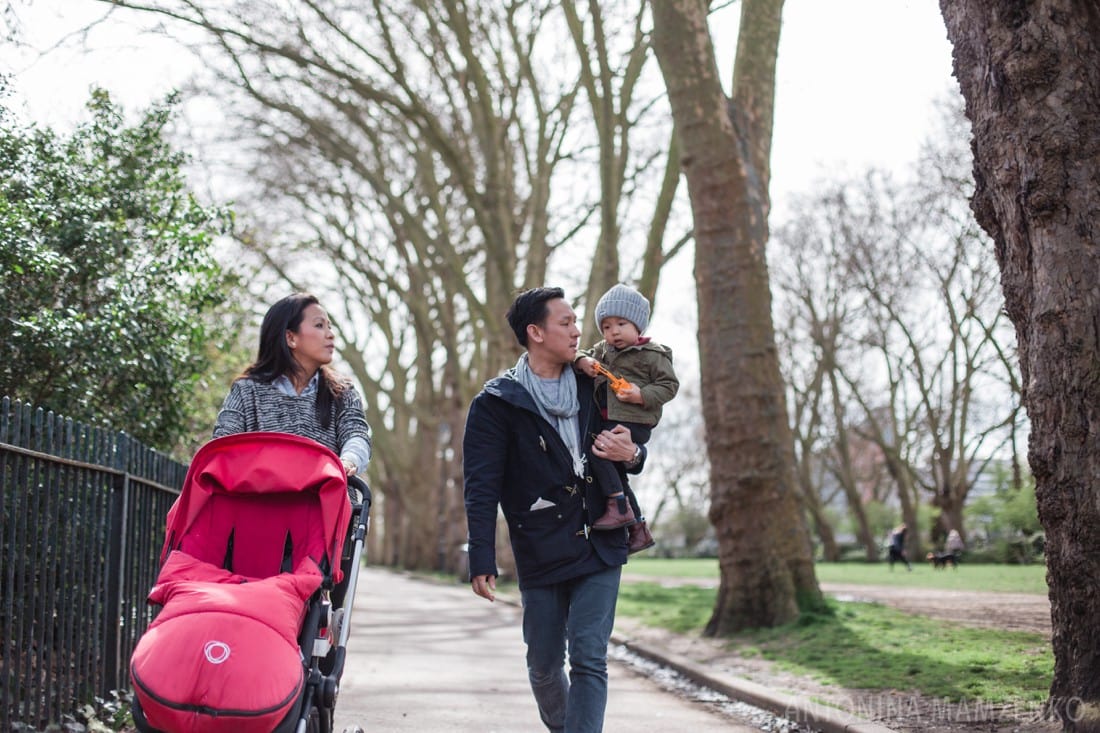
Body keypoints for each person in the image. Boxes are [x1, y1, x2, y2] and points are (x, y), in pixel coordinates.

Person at [463, 286, 646, 733]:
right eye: (565, 323)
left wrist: (633, 455)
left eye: (575, 321)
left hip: (603, 534)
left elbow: (635, 445)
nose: (577, 330)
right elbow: (481, 487)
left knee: (589, 656)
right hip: (540, 544)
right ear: (535, 332)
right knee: (544, 664)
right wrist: (481, 556)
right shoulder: (495, 403)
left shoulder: (596, 382)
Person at [213, 292, 372, 484]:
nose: (331, 334)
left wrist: (348, 461)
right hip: (260, 504)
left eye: (329, 326)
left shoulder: (342, 392)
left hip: (326, 505)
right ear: (290, 338)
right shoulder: (246, 391)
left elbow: (356, 434)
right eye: (319, 325)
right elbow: (223, 446)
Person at [574, 284, 678, 552]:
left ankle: (619, 507)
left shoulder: (653, 355)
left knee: (599, 453)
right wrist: (581, 362)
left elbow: (669, 386)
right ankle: (637, 527)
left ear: (638, 326)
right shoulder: (604, 350)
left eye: (621, 323)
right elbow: (582, 354)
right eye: (606, 327)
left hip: (637, 421)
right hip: (612, 419)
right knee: (614, 468)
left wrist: (641, 394)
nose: (613, 332)